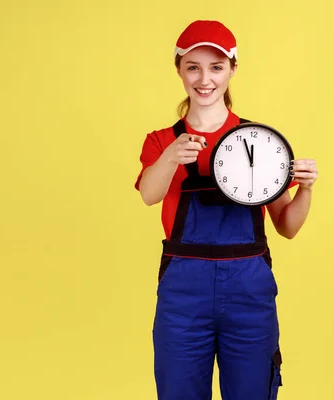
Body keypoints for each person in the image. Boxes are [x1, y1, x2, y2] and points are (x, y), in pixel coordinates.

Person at [134, 20, 318, 400]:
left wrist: (306, 189)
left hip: (249, 290)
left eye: (216, 67)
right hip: (184, 293)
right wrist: (171, 157)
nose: (205, 79)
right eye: (193, 67)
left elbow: (287, 226)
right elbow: (149, 195)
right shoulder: (161, 141)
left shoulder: (259, 140)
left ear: (233, 69)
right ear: (179, 70)